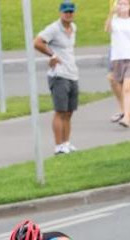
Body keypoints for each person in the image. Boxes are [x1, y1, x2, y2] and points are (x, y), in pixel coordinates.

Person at [35, 1, 79, 155]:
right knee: (60, 111)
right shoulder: (54, 28)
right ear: (61, 13)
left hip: (72, 73)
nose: (69, 14)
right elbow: (38, 42)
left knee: (69, 111)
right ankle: (58, 146)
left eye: (71, 11)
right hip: (59, 75)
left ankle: (66, 143)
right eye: (66, 12)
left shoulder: (73, 28)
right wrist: (52, 55)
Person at [105, 0, 130, 128]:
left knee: (127, 87)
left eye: (125, 4)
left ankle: (128, 116)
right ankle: (127, 113)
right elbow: (107, 29)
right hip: (117, 58)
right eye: (120, 4)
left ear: (129, 6)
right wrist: (111, 13)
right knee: (116, 82)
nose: (122, 6)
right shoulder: (114, 21)